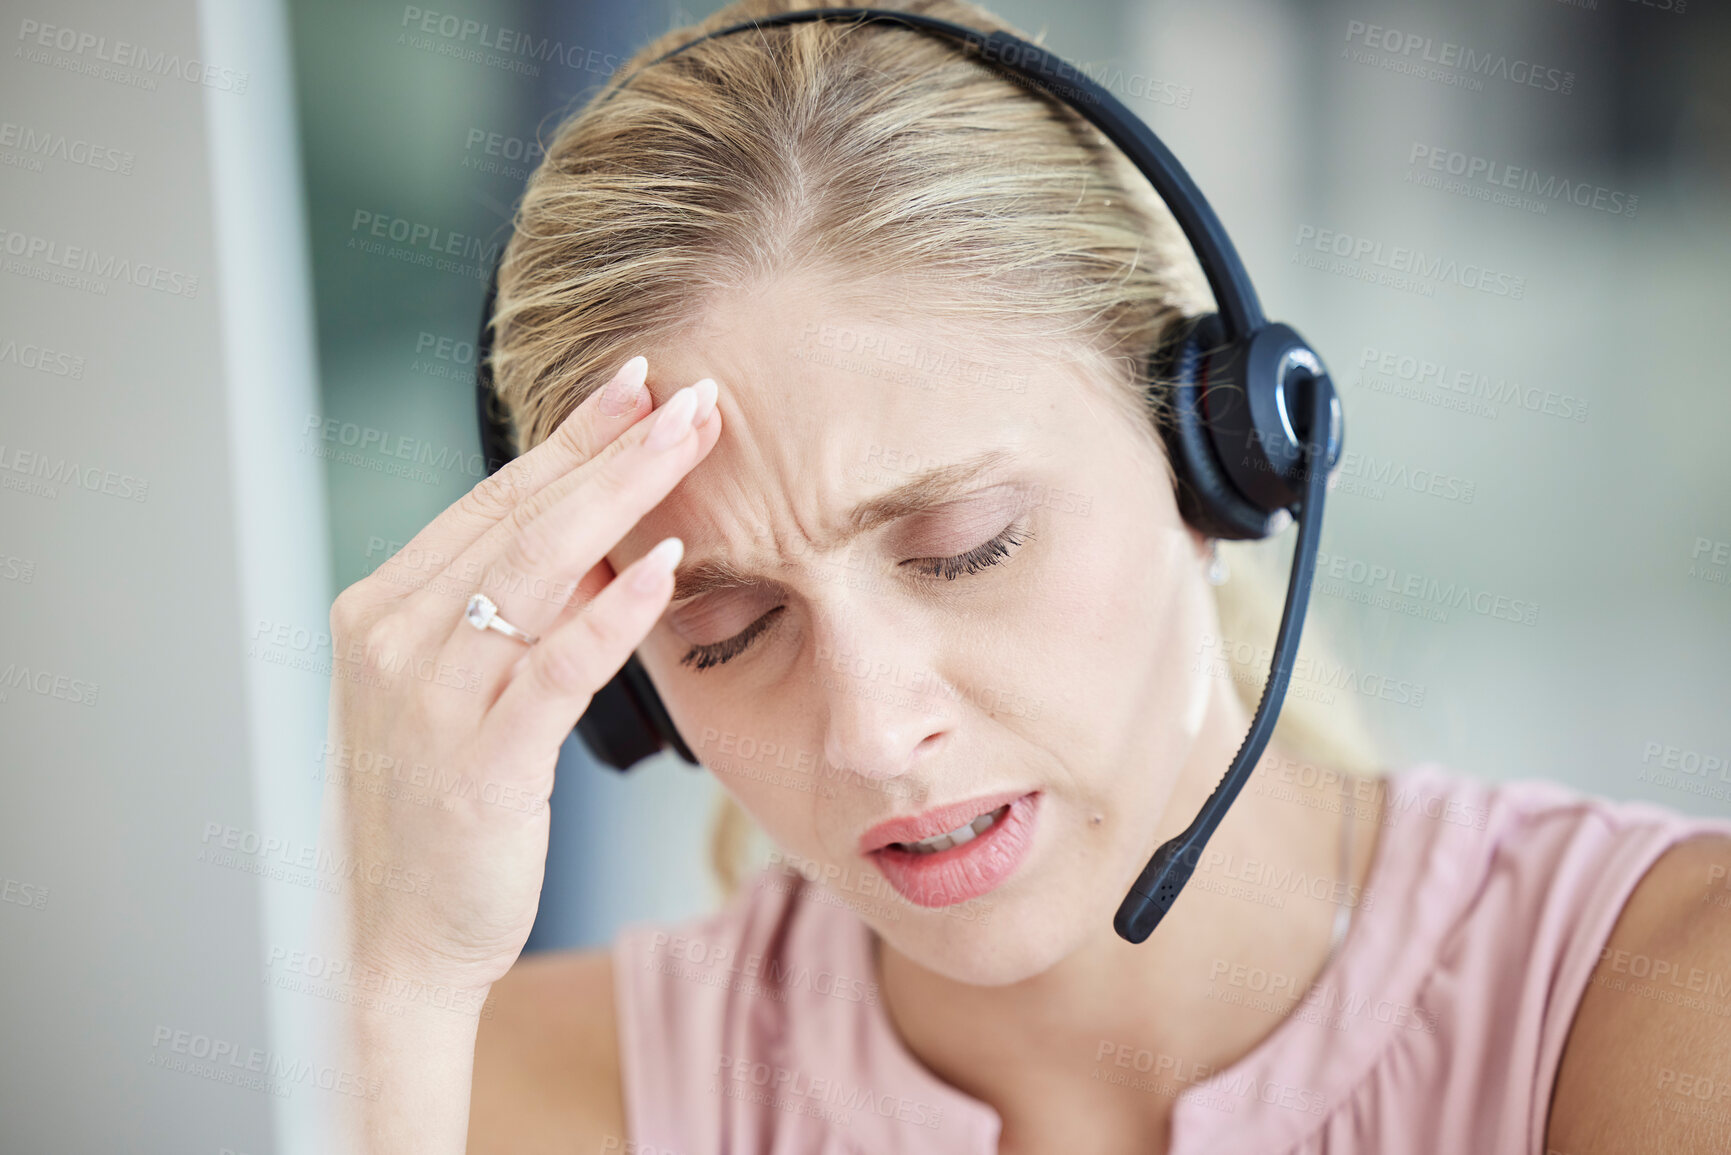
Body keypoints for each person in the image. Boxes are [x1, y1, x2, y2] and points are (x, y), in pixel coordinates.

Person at [316, 2, 1731, 1151]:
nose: (872, 734)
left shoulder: (1661, 1000)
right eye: (730, 632)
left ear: (1225, 454)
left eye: (966, 546)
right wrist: (407, 981)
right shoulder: (525, 1093)